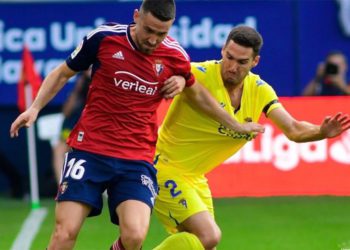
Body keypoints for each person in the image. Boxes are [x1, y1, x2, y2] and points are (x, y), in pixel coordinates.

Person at [10, 2, 263, 249]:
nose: (153, 40)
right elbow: (62, 73)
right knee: (65, 232)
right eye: (149, 30)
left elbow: (197, 93)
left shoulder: (176, 56)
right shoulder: (105, 38)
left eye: (161, 33)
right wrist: (35, 108)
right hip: (91, 149)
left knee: (134, 236)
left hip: (136, 157)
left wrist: (232, 123)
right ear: (136, 16)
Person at [153, 25, 350, 250]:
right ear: (222, 50)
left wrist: (321, 132)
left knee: (205, 246)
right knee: (208, 236)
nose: (232, 66)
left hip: (195, 177)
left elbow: (293, 129)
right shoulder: (197, 74)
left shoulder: (260, 91)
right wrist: (178, 78)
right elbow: (163, 69)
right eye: (229, 57)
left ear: (255, 61)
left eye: (241, 62)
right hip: (164, 167)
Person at [52, 69, 91, 184]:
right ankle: (62, 185)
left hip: (95, 127)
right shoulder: (81, 82)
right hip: (75, 124)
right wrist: (77, 90)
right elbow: (66, 112)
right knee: (59, 149)